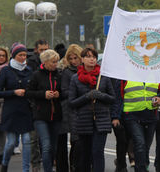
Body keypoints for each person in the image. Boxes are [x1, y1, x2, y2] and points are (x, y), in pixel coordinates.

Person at [69, 47, 115, 172]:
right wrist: (87, 96)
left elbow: (112, 98)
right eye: (88, 56)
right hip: (83, 122)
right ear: (82, 59)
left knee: (97, 152)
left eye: (94, 57)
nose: (92, 59)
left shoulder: (104, 77)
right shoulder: (75, 78)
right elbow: (72, 102)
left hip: (101, 121)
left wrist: (101, 95)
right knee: (85, 154)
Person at [0, 44, 34, 172]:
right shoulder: (6, 71)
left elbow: (33, 89)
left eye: (24, 55)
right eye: (20, 55)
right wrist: (13, 92)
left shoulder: (29, 70)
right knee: (11, 142)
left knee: (27, 141)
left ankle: (26, 169)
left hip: (26, 109)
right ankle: (5, 163)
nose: (23, 58)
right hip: (11, 110)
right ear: (13, 56)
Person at [113, 79, 160, 172]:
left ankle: (142, 167)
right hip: (132, 116)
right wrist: (115, 116)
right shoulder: (125, 75)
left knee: (145, 147)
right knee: (140, 144)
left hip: (151, 116)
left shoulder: (154, 73)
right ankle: (141, 169)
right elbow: (118, 97)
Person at [27, 49, 62, 172]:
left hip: (56, 115)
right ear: (45, 62)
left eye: (56, 62)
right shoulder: (37, 75)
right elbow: (28, 92)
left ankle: (49, 165)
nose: (55, 64)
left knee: (53, 147)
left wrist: (59, 94)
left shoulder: (59, 74)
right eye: (53, 62)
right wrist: (43, 94)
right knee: (46, 145)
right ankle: (48, 170)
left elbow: (65, 92)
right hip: (41, 115)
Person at [57, 44, 83, 172]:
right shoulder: (66, 72)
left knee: (79, 142)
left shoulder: (86, 70)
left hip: (83, 109)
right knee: (73, 140)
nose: (73, 61)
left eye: (75, 58)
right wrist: (80, 92)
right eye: (71, 58)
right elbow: (64, 91)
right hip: (68, 109)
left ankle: (77, 165)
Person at [27, 39, 48, 171]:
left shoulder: (53, 64)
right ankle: (35, 163)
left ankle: (48, 162)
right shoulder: (31, 64)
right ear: (36, 50)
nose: (44, 53)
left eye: (46, 49)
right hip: (34, 106)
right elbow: (29, 89)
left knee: (46, 140)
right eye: (41, 50)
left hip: (49, 108)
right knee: (34, 138)